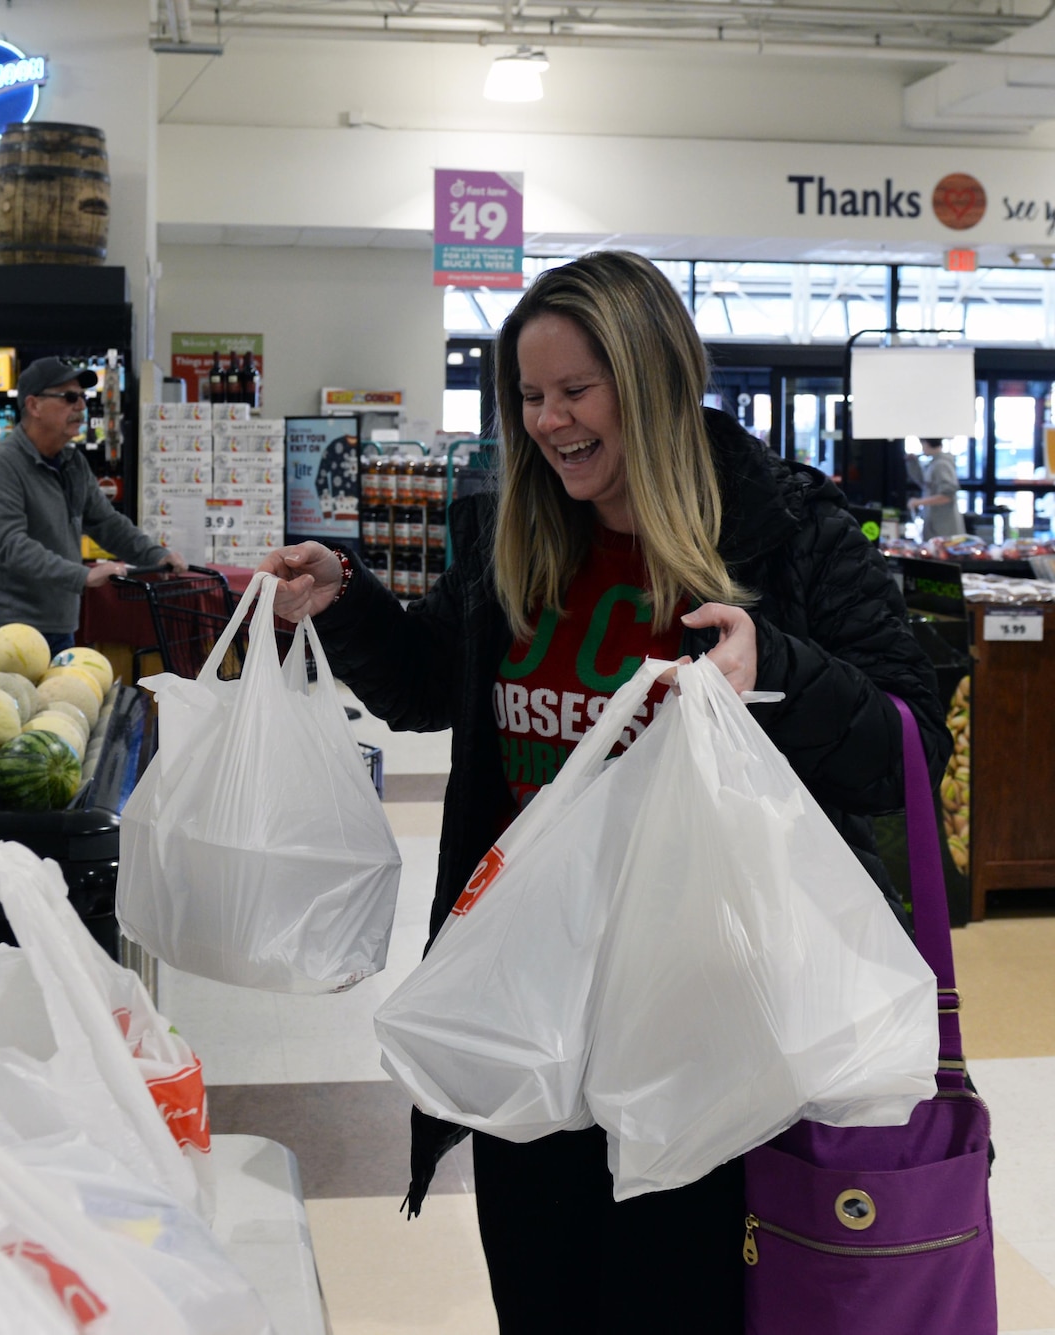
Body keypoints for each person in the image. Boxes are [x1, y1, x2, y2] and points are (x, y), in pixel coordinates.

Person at [258, 251, 947, 1335]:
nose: (547, 421)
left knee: (674, 1297)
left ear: (654, 380)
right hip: (528, 997)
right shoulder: (514, 531)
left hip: (707, 1008)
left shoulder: (783, 534)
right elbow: (432, 686)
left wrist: (777, 666)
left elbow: (902, 747)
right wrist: (344, 601)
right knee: (541, 1293)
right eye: (528, 396)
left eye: (575, 390)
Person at [0, 357, 187, 653]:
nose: (81, 406)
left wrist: (155, 555)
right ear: (34, 406)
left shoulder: (73, 462)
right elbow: (11, 545)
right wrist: (82, 576)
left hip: (59, 624)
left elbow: (106, 523)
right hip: (8, 630)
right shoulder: (2, 465)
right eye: (70, 397)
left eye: (83, 397)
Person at [911, 436, 966, 539]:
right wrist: (912, 464)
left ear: (926, 443)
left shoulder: (942, 464)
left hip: (944, 528)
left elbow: (947, 496)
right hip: (935, 524)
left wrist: (919, 502)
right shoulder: (934, 463)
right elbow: (925, 485)